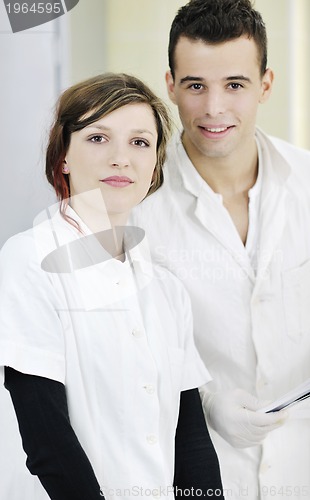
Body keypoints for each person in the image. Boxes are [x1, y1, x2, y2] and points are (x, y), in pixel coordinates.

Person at [0, 73, 224, 500]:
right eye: (98, 138)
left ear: (155, 163)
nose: (121, 158)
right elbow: (46, 437)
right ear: (63, 154)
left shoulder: (166, 290)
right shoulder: (28, 260)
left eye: (140, 142)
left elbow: (190, 440)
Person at [130, 1, 310, 499]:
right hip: (208, 474)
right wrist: (207, 403)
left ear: (265, 85)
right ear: (170, 85)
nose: (213, 109)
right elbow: (130, 358)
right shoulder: (137, 212)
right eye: (195, 86)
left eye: (234, 85)